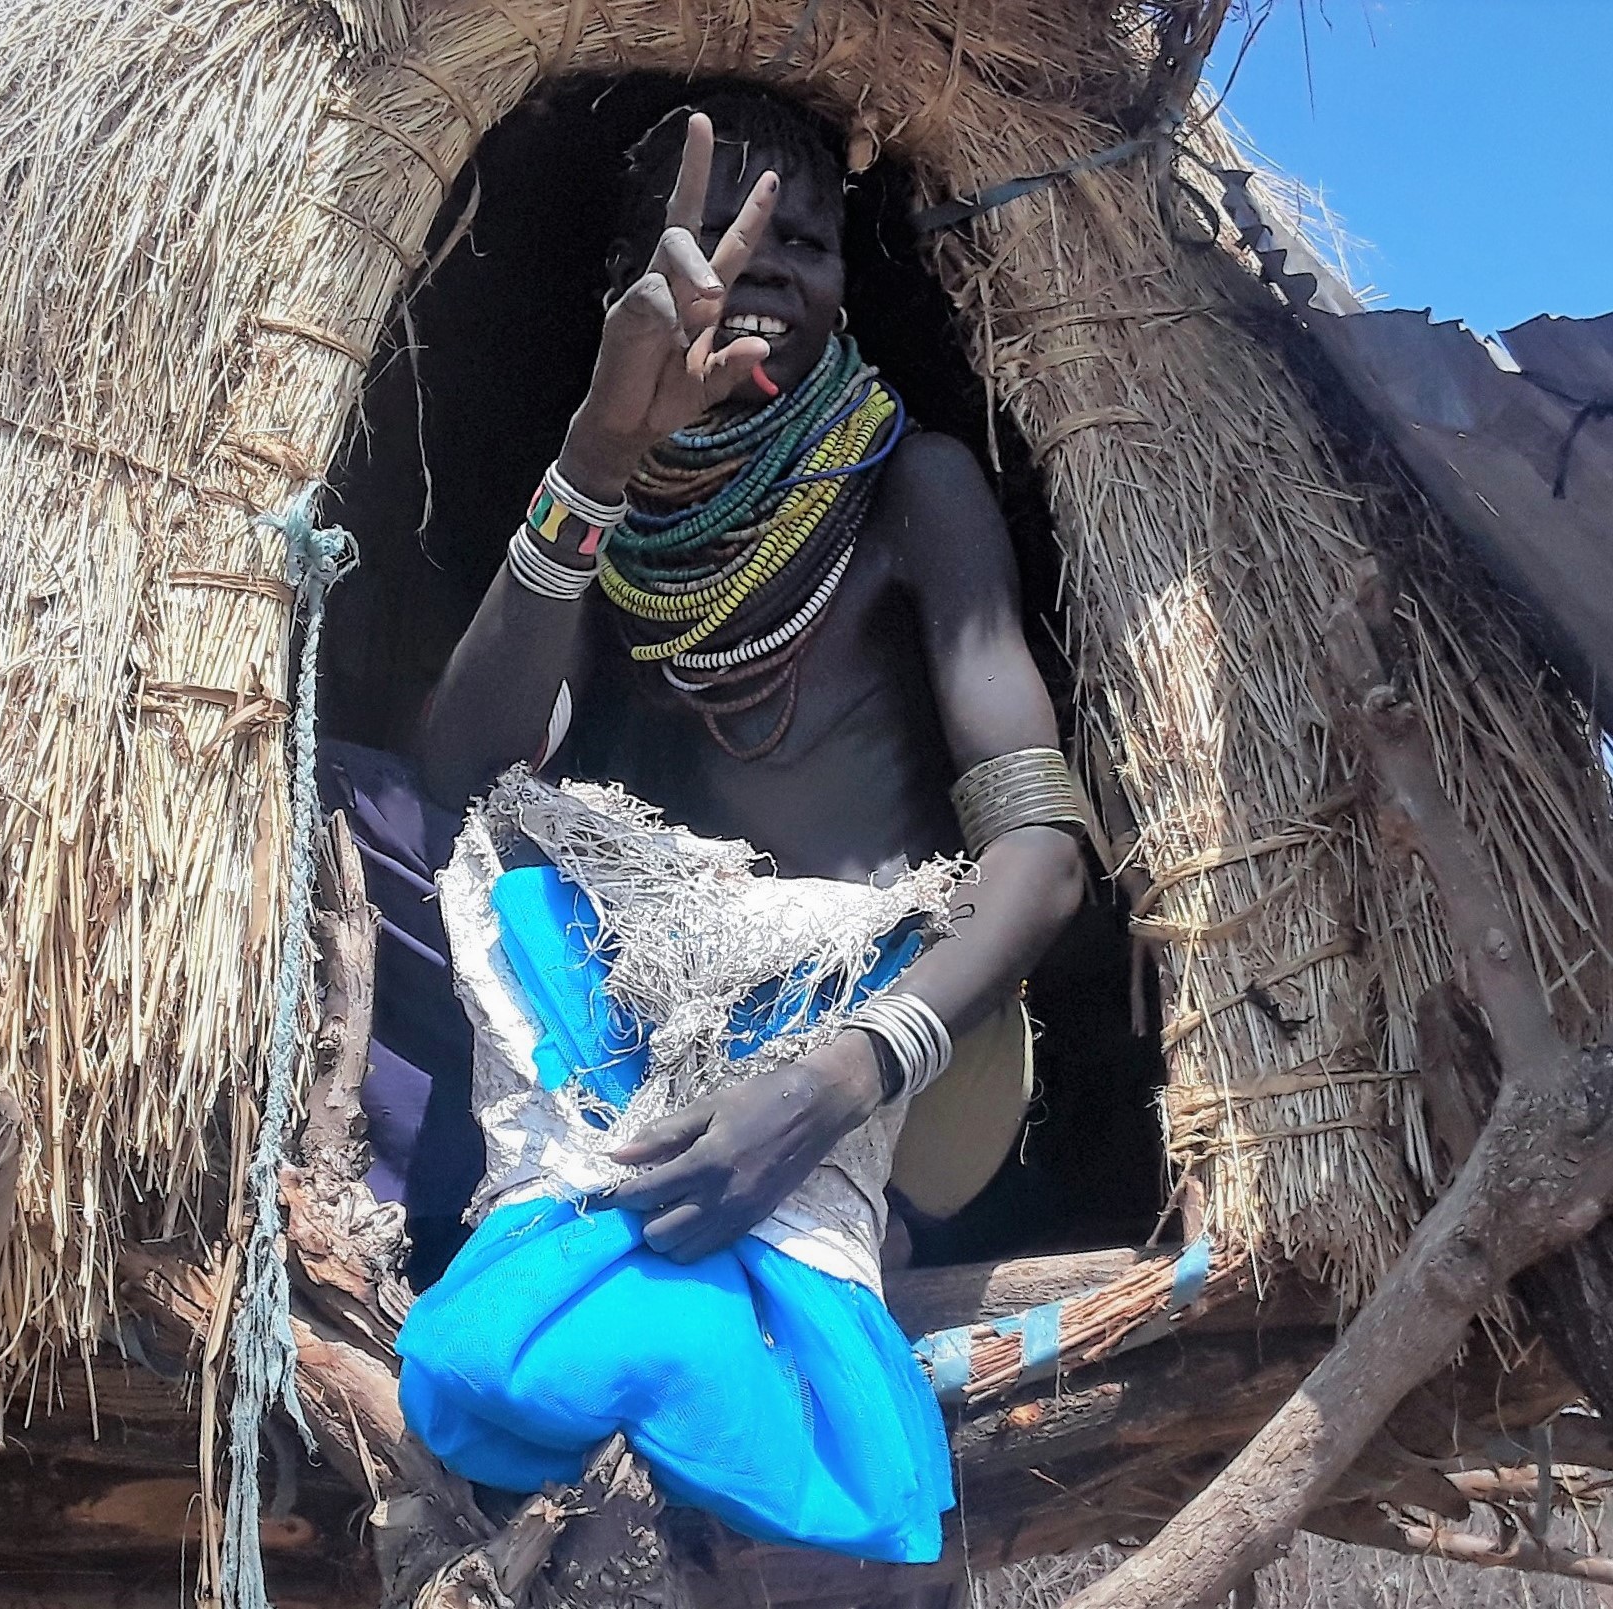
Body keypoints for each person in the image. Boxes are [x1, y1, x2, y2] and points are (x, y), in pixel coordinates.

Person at [377, 86, 1091, 1562]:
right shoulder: (615, 504)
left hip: (886, 1028)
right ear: (625, 283)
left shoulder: (914, 487)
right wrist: (594, 459)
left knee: (652, 1317)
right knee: (403, 831)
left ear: (847, 277)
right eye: (712, 232)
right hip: (659, 1017)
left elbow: (1042, 857)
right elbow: (462, 775)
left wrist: (838, 1076)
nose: (760, 263)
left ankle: (790, 1321)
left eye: (806, 242)